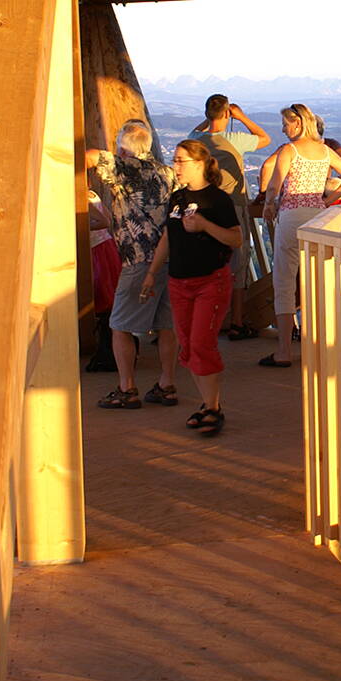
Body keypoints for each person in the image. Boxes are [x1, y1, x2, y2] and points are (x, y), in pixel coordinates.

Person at [140, 140, 243, 437]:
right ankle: (208, 404)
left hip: (210, 280)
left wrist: (204, 226)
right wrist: (151, 273)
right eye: (175, 160)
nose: (176, 165)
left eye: (181, 161)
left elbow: (235, 239)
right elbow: (168, 238)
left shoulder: (217, 200)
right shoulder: (176, 198)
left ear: (199, 164)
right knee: (188, 345)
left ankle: (212, 407)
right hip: (179, 281)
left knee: (201, 343)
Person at [261, 103, 341, 368]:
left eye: (286, 123)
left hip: (291, 215)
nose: (283, 128)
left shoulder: (290, 150)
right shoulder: (324, 151)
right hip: (317, 217)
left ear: (298, 124)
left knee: (285, 282)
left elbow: (275, 184)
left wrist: (268, 203)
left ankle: (284, 351)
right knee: (319, 281)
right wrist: (327, 198)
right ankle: (324, 347)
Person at [88, 121, 179, 410]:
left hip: (138, 258)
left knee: (119, 325)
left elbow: (90, 155)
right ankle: (167, 384)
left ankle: (126, 388)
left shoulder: (126, 168)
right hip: (168, 256)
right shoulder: (167, 173)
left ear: (123, 147)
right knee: (166, 326)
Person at [192, 94, 271, 340]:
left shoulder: (197, 139)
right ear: (227, 114)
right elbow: (264, 139)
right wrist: (241, 116)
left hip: (205, 207)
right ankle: (236, 321)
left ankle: (207, 322)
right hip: (233, 207)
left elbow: (194, 131)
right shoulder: (235, 140)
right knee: (236, 266)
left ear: (207, 114)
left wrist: (209, 122)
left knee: (207, 265)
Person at [85, 195, 121, 373]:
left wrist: (80, 227)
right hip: (106, 245)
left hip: (97, 248)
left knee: (102, 298)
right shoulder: (93, 194)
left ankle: (108, 348)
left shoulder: (84, 197)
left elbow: (103, 221)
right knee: (108, 297)